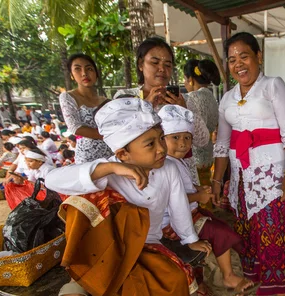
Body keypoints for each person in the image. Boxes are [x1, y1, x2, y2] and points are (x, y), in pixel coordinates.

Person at [45, 98, 217, 296]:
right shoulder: (108, 171)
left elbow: (178, 210)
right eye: (150, 144)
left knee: (176, 277)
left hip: (145, 246)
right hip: (102, 250)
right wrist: (110, 168)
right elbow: (52, 179)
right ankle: (77, 278)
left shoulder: (170, 169)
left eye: (160, 138)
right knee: (83, 201)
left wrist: (190, 239)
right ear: (124, 152)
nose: (162, 148)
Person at [211, 32, 285, 296]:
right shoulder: (227, 98)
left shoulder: (273, 86)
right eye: (232, 59)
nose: (239, 64)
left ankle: (281, 293)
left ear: (258, 56)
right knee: (247, 231)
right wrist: (217, 180)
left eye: (244, 56)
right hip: (241, 174)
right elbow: (222, 143)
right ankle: (254, 277)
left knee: (273, 233)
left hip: (271, 173)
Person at [159, 105, 258, 296]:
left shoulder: (176, 162)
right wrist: (197, 196)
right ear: (162, 140)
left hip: (189, 213)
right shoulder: (163, 166)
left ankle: (231, 273)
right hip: (172, 223)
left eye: (187, 138)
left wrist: (198, 189)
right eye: (175, 137)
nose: (183, 143)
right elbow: (169, 201)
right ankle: (227, 276)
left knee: (222, 230)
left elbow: (184, 187)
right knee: (219, 232)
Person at [114, 37, 209, 185]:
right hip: (144, 177)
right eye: (155, 62)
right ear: (141, 64)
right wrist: (146, 106)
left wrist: (185, 111)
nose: (162, 69)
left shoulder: (183, 99)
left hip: (182, 176)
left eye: (168, 65)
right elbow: (117, 139)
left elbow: (202, 140)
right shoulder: (126, 98)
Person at [59, 53, 113, 164]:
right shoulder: (68, 97)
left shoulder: (106, 101)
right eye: (78, 69)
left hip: (111, 154)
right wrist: (110, 135)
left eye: (89, 69)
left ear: (96, 74)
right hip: (87, 158)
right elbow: (75, 127)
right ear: (71, 75)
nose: (84, 74)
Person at [183, 59, 220, 186]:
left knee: (196, 190)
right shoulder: (211, 97)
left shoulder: (191, 97)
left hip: (195, 154)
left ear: (191, 79)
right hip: (208, 153)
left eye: (185, 79)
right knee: (206, 186)